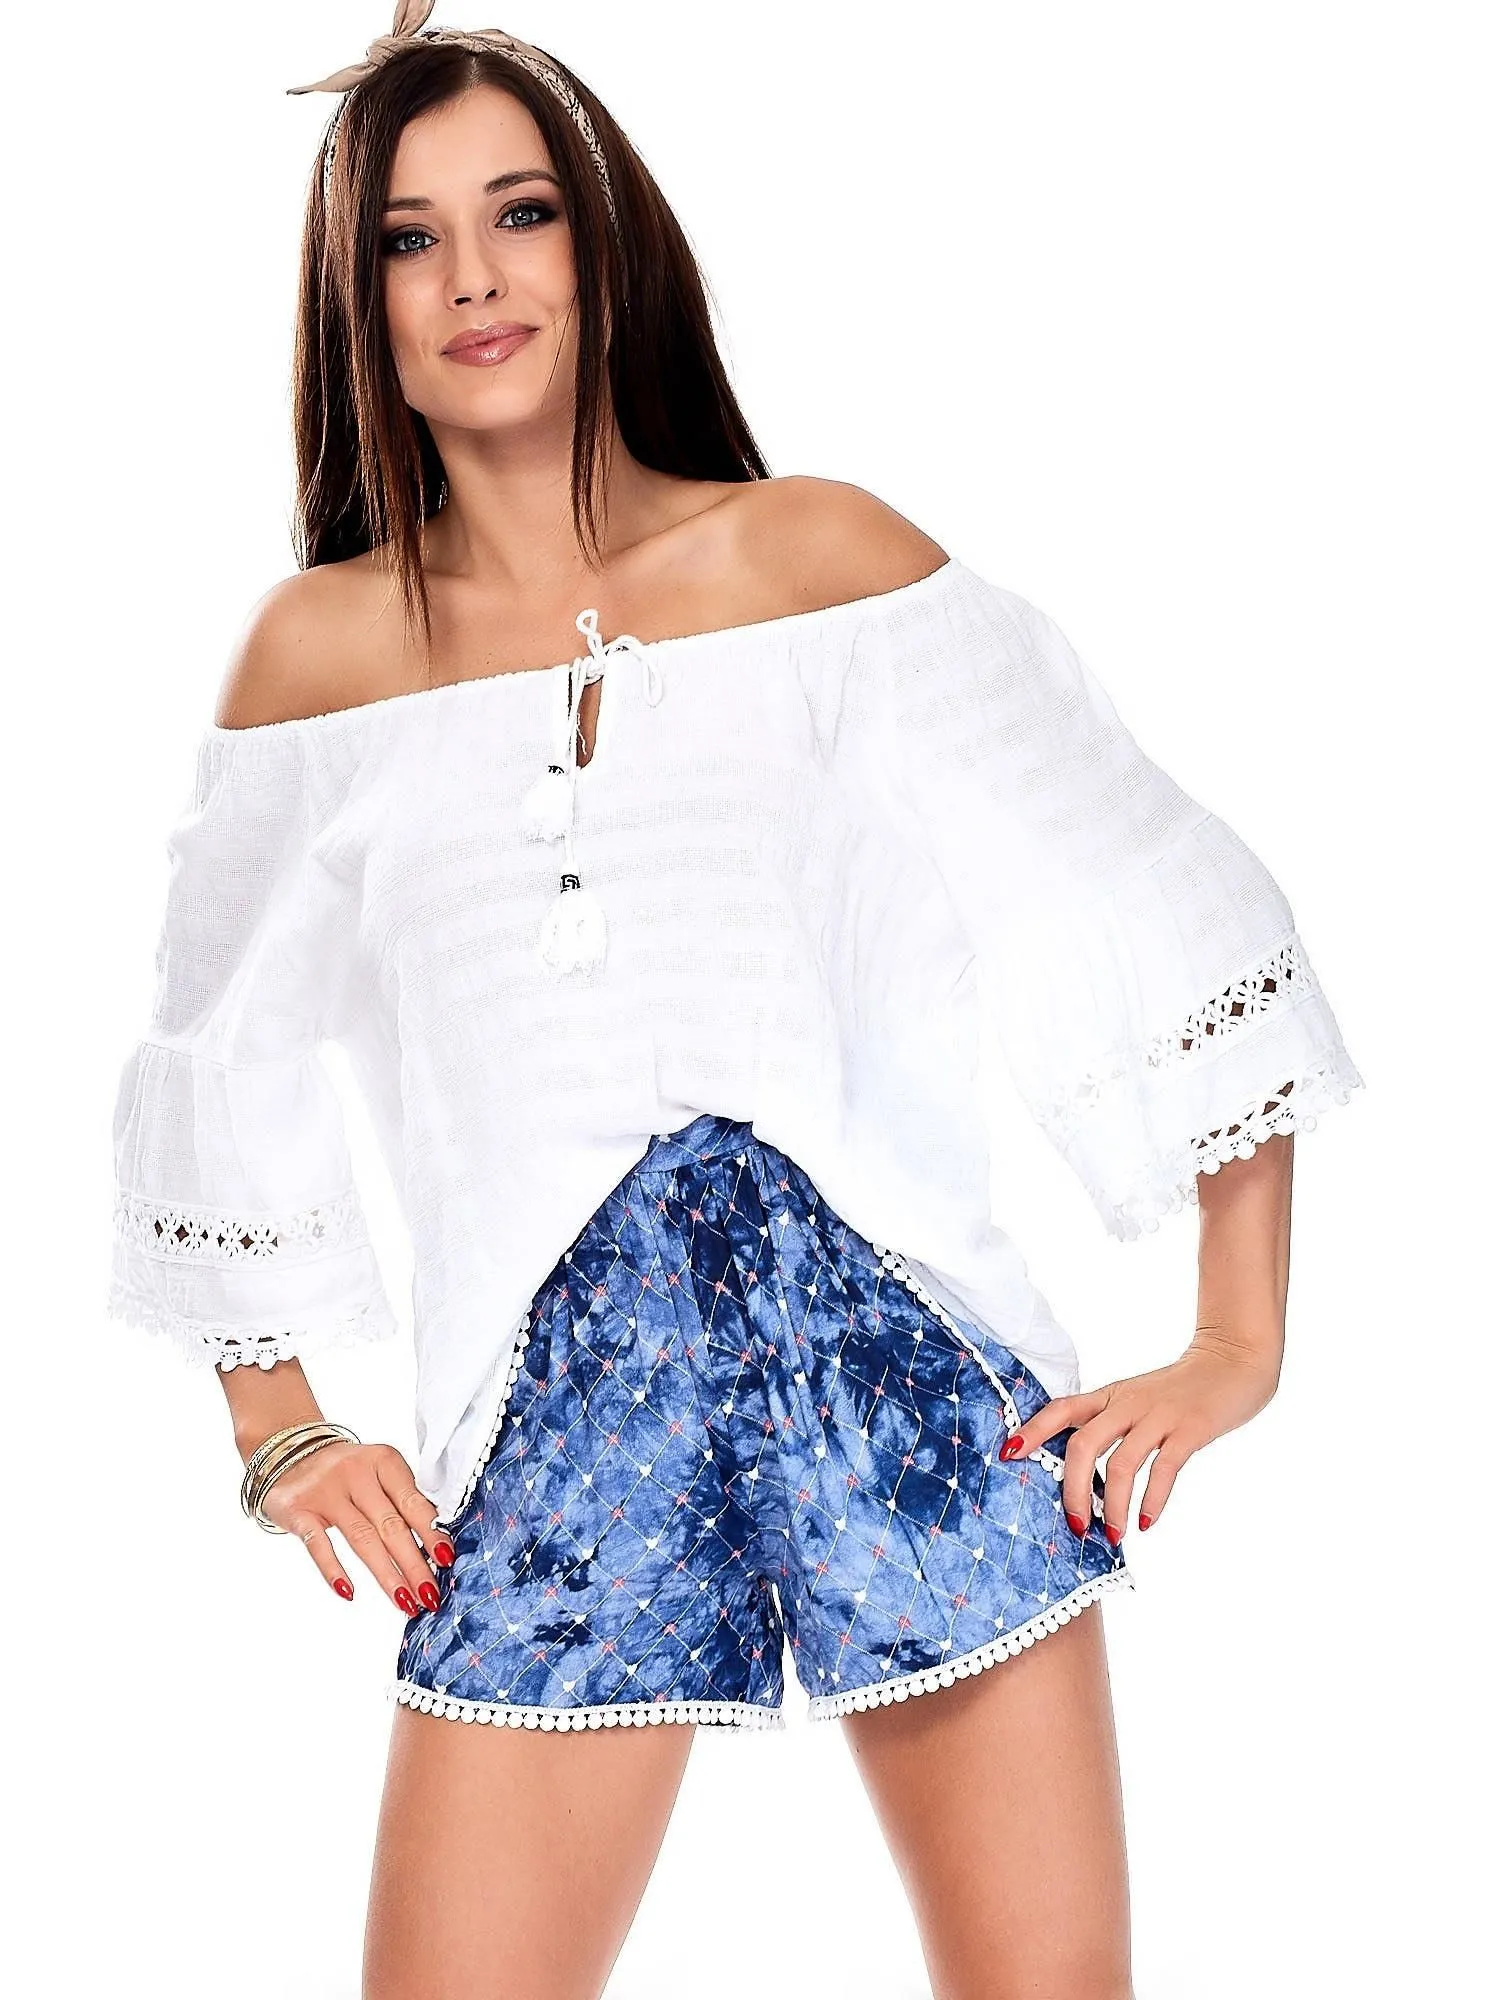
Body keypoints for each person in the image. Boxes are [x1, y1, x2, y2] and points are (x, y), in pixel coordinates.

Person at [105, 12, 1364, 1999]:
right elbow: (210, 1063)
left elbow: (1175, 902)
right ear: (361, 307)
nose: (475, 277)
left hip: (911, 1397)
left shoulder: (820, 563)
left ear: (607, 244)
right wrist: (278, 1427)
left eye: (521, 214)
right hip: (558, 1446)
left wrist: (1236, 1339)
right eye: (411, 241)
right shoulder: (318, 663)